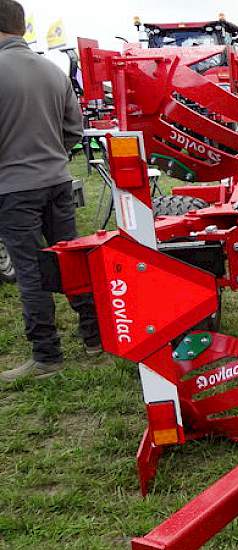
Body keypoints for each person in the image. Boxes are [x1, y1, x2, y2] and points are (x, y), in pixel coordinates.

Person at [0, 0, 100, 382]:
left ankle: (47, 356)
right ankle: (93, 337)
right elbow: (75, 130)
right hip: (56, 180)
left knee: (29, 271)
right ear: (21, 27)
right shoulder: (53, 71)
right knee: (69, 259)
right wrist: (50, 154)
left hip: (13, 187)